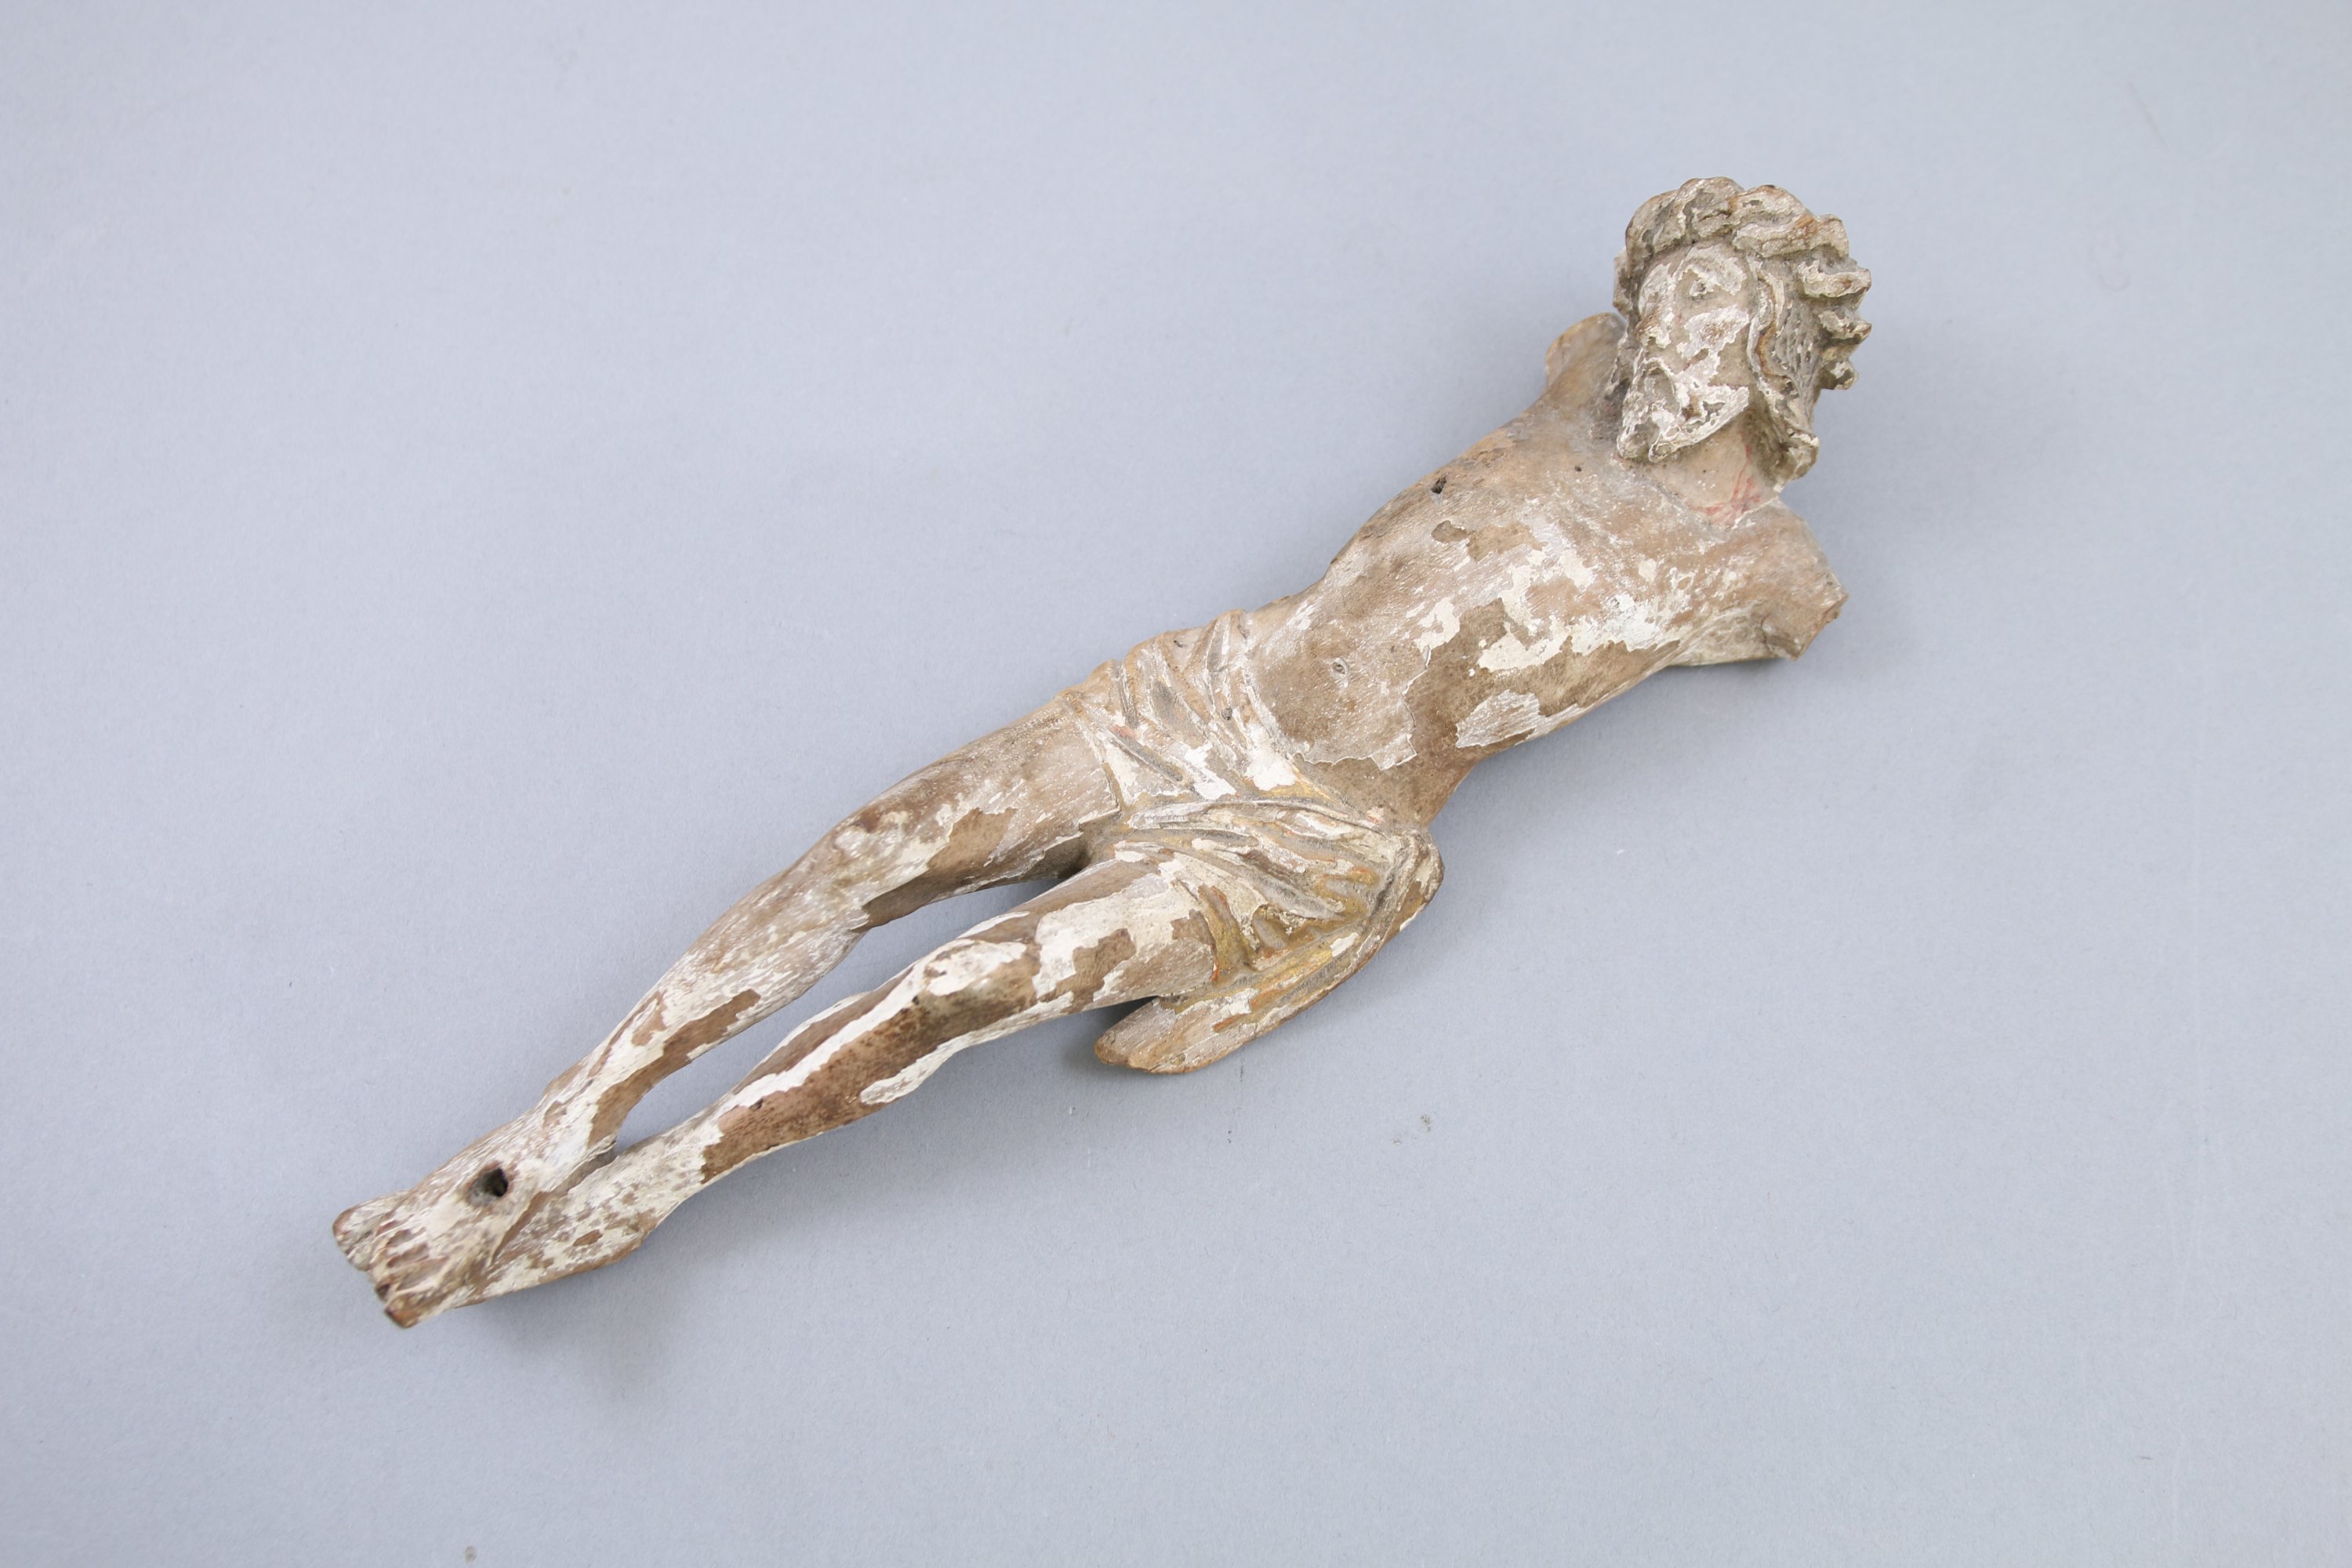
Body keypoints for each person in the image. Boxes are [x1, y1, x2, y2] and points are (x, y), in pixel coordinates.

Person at [337, 178, 1873, 1325]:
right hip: (1195, 695)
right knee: (870, 850)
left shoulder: (1764, 576)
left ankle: (654, 1187)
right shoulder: (1582, 370)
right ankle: (544, 1132)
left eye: (1705, 316)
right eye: (1656, 303)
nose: (1660, 341)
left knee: (961, 986)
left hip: (1308, 838)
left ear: (1772, 359)